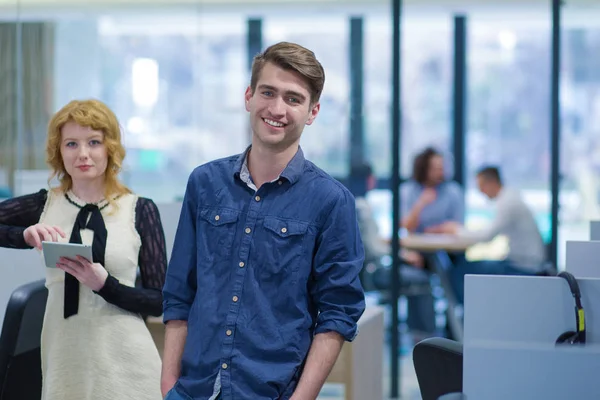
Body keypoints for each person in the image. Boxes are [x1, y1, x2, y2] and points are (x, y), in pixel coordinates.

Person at [161, 41, 366, 400]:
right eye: (268, 92)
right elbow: (180, 292)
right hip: (193, 390)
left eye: (293, 98)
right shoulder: (204, 183)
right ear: (248, 97)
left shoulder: (332, 201)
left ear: (313, 111)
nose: (277, 108)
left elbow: (338, 313)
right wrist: (168, 387)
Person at [0, 99, 167, 400]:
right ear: (59, 151)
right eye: (71, 144)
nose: (83, 154)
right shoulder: (44, 204)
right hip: (66, 356)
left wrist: (105, 285)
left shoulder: (140, 210)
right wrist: (23, 235)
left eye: (94, 142)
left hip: (129, 360)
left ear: (110, 148)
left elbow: (160, 301)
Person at [430, 166, 546, 304]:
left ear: (491, 183)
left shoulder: (508, 202)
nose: (481, 192)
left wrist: (455, 230)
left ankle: (465, 312)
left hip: (522, 267)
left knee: (460, 271)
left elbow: (487, 237)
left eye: (481, 187)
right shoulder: (510, 197)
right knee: (466, 267)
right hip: (523, 262)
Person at [401, 146, 464, 234]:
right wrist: (420, 204)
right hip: (415, 245)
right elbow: (407, 226)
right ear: (424, 169)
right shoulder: (408, 190)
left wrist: (434, 230)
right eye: (435, 169)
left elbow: (457, 226)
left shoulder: (453, 191)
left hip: (446, 245)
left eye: (441, 168)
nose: (440, 173)